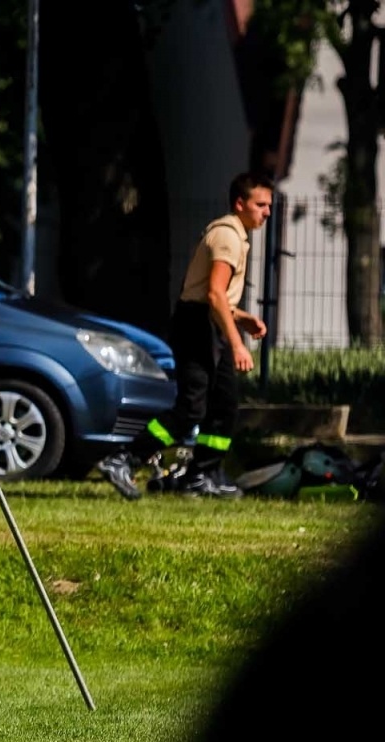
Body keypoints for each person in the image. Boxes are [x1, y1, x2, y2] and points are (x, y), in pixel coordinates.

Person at [99, 173, 272, 499]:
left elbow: (216, 297)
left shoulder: (236, 236)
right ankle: (124, 458)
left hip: (209, 323)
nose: (266, 213)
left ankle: (203, 474)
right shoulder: (227, 236)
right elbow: (214, 295)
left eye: (269, 206)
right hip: (197, 327)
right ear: (240, 203)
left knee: (224, 406)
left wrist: (242, 318)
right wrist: (237, 343)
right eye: (260, 205)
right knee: (191, 409)